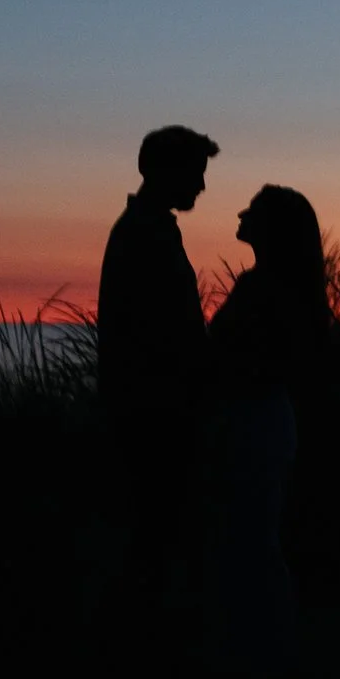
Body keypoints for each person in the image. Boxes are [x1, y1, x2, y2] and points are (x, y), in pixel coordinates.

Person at [203, 184, 327, 676]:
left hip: (255, 421)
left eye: (252, 210)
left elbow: (248, 360)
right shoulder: (273, 284)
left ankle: (267, 659)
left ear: (272, 227)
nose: (240, 213)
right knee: (251, 540)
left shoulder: (267, 289)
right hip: (260, 420)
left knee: (253, 543)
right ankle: (263, 652)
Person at [97, 124, 219, 624]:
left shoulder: (148, 228)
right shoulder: (143, 234)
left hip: (153, 413)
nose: (202, 186)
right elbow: (158, 333)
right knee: (155, 540)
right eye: (195, 173)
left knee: (154, 541)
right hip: (153, 417)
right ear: (161, 171)